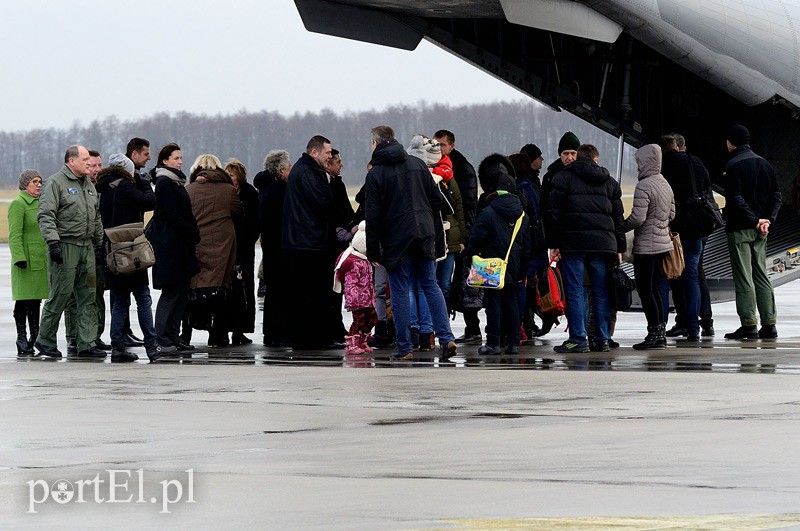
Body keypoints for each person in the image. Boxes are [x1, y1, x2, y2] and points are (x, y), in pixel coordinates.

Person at [365, 125, 457, 361]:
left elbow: (373, 217)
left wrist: (373, 250)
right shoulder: (418, 165)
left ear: (375, 144)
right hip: (424, 234)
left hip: (397, 240)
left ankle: (405, 347)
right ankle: (447, 338)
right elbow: (437, 201)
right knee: (431, 285)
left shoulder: (376, 174)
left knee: (400, 291)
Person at [96, 154, 175, 362]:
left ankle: (117, 347)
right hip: (131, 248)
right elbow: (150, 202)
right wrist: (144, 183)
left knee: (120, 302)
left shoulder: (103, 187)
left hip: (112, 249)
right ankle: (151, 345)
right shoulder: (125, 186)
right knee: (143, 298)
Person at [547, 144, 625, 353]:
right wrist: (620, 247)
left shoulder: (563, 178)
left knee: (575, 290)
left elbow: (555, 214)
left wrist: (554, 244)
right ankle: (602, 338)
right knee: (601, 292)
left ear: (578, 158)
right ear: (595, 159)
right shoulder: (610, 182)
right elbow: (618, 218)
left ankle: (579, 338)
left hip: (573, 243)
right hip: (603, 245)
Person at [35, 146, 106, 359]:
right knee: (61, 295)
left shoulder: (89, 186)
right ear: (71, 161)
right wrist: (53, 243)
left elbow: (96, 217)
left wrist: (100, 244)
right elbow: (46, 215)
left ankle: (87, 342)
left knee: (88, 296)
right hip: (65, 245)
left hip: (87, 247)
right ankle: (45, 339)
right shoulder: (55, 183)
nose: (89, 164)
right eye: (85, 160)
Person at [722, 125, 782, 340]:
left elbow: (736, 199)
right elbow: (776, 195)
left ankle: (748, 325)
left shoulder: (733, 165)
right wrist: (768, 221)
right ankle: (769, 324)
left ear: (732, 142)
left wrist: (754, 220)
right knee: (762, 275)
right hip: (761, 230)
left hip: (741, 228)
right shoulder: (765, 163)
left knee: (744, 277)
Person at [282, 135, 342, 350]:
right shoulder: (309, 172)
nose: (330, 156)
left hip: (302, 241)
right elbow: (322, 204)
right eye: (327, 152)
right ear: (314, 152)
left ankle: (307, 338)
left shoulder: (303, 169)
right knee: (312, 293)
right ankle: (312, 339)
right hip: (309, 243)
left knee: (304, 293)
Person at [465, 172, 531, 355]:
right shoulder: (522, 215)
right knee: (512, 303)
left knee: (493, 303)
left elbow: (476, 238)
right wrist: (522, 269)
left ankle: (493, 343)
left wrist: (469, 255)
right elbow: (527, 246)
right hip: (514, 264)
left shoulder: (488, 211)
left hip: (492, 266)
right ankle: (514, 343)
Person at [658, 133, 714, 341]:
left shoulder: (663, 168)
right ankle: (694, 328)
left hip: (673, 231)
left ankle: (660, 328)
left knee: (666, 276)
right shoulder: (695, 162)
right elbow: (707, 185)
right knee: (692, 276)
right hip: (696, 228)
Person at [187, 154, 244, 347]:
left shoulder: (189, 190)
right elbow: (239, 213)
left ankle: (184, 335)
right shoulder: (228, 191)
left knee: (192, 290)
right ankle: (218, 336)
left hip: (196, 246)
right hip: (222, 248)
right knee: (221, 292)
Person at [150, 143, 200, 358]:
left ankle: (173, 335)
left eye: (180, 157)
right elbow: (172, 215)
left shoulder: (176, 182)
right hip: (170, 246)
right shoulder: (164, 183)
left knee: (181, 294)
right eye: (176, 158)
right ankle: (161, 337)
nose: (180, 161)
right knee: (171, 293)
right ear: (165, 161)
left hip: (180, 246)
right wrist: (191, 231)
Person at [624, 144, 675, 350]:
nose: (637, 166)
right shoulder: (665, 183)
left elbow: (638, 218)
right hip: (662, 244)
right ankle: (660, 332)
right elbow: (672, 215)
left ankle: (653, 332)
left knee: (646, 290)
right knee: (655, 289)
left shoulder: (644, 186)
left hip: (646, 245)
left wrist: (622, 226)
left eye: (638, 162)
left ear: (646, 161)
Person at [434, 129, 480, 344]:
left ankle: (471, 328)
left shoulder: (462, 168)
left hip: (458, 233)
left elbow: (467, 204)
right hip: (446, 233)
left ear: (451, 145)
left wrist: (465, 234)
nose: (439, 148)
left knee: (461, 282)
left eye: (442, 144)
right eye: (436, 144)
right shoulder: (434, 168)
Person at [65, 149, 108, 352]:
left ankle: (93, 335)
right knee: (74, 296)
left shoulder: (97, 188)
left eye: (99, 165)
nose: (96, 169)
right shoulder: (70, 187)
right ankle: (73, 336)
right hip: (75, 248)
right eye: (92, 165)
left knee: (95, 294)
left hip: (94, 249)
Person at [254, 150, 292, 348]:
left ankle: (272, 333)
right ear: (280, 170)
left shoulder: (266, 187)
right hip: (278, 246)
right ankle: (277, 334)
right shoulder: (277, 190)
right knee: (279, 292)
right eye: (288, 167)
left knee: (273, 292)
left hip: (270, 246)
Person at [9, 170, 48, 357]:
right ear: (26, 184)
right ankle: (21, 337)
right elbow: (14, 234)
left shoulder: (41, 203)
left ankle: (35, 336)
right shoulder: (18, 204)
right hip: (24, 261)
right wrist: (19, 257)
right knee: (23, 301)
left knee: (35, 300)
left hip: (40, 260)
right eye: (35, 181)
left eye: (40, 181)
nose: (39, 184)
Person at [225, 158, 260, 346]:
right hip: (227, 247)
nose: (229, 178)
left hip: (244, 248)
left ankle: (240, 330)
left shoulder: (249, 193)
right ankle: (225, 327)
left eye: (232, 175)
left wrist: (246, 241)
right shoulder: (224, 192)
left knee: (245, 289)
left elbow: (256, 222)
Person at [333, 221, 376, 355]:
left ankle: (363, 340)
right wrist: (353, 300)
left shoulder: (365, 261)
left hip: (367, 299)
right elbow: (351, 284)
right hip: (358, 301)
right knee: (358, 322)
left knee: (370, 319)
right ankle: (353, 343)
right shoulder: (354, 263)